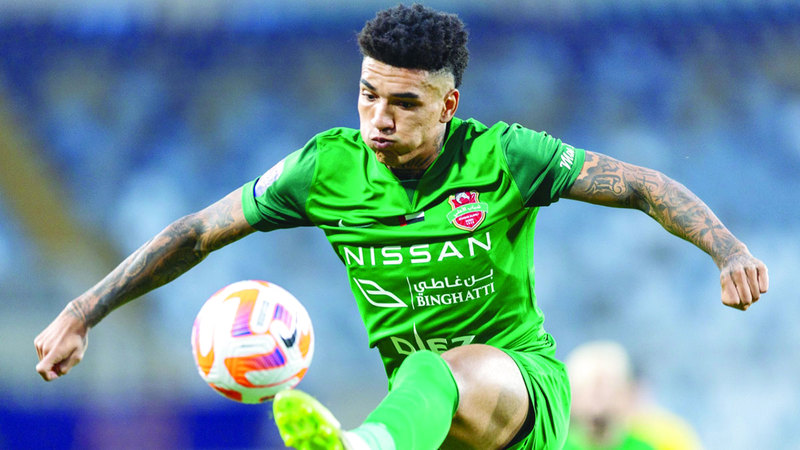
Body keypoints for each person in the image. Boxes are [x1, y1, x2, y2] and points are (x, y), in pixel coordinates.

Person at [34, 4, 768, 450]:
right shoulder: (325, 169)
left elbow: (637, 184)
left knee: (433, 369)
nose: (378, 119)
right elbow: (199, 232)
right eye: (367, 95)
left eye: (405, 104)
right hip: (427, 426)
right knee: (423, 378)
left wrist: (727, 249)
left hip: (520, 396)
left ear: (448, 106)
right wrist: (82, 310)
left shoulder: (506, 157)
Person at [563, 340, 702, 450]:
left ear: (627, 393)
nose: (599, 404)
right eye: (589, 391)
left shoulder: (661, 438)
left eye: (609, 390)